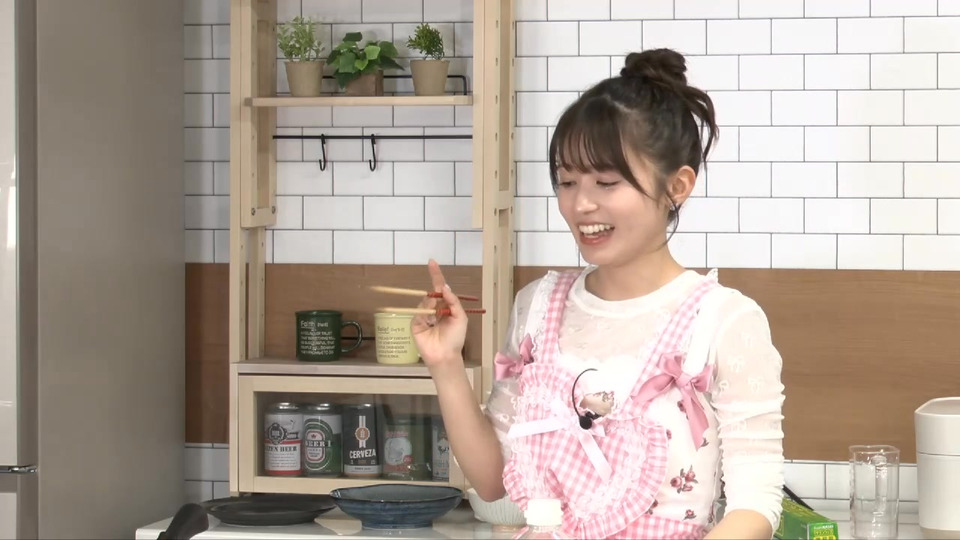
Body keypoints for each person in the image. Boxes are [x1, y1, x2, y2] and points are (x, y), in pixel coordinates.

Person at [411, 48, 786, 540]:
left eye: (606, 182)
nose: (581, 204)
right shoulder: (537, 306)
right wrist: (445, 364)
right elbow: (492, 480)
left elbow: (756, 504)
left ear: (677, 186)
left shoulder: (723, 320)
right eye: (567, 181)